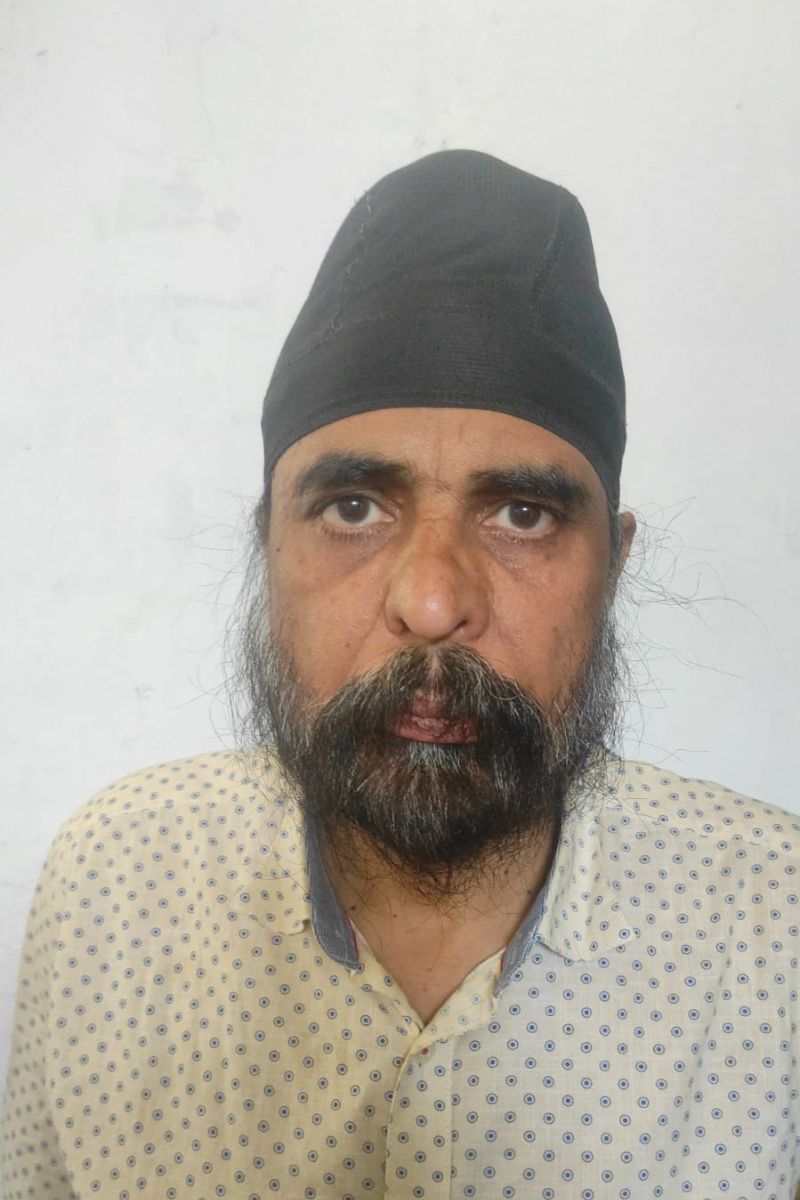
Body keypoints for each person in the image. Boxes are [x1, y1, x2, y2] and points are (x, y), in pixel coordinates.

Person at [2, 149, 797, 1200]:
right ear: (267, 546)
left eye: (523, 514)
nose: (430, 603)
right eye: (353, 508)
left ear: (613, 565)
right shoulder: (116, 881)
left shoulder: (774, 923)